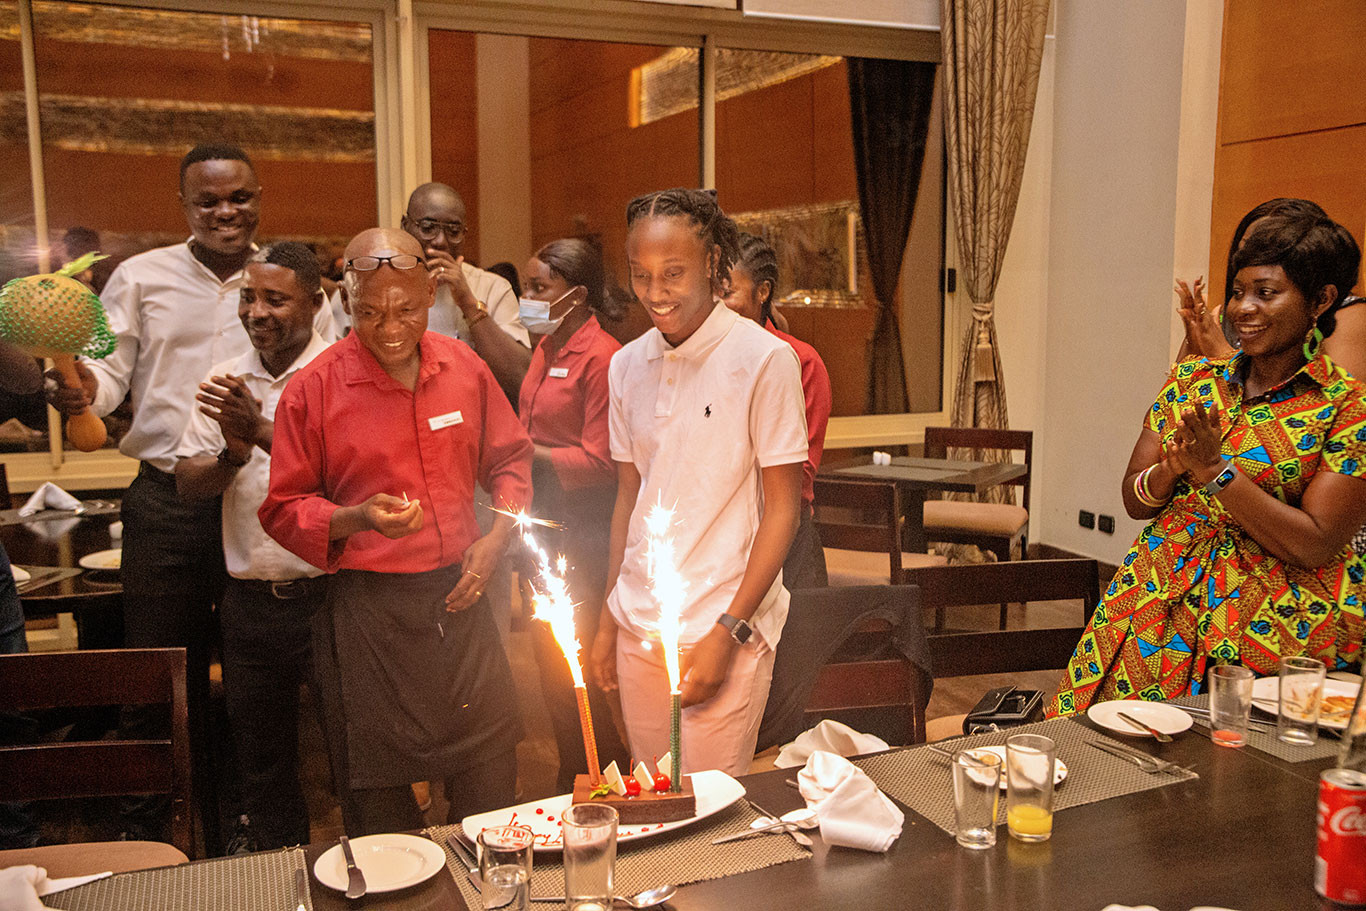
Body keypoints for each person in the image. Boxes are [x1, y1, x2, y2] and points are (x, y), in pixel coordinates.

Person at [45, 143, 332, 841]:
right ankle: (154, 831)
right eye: (208, 201)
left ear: (259, 199)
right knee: (160, 675)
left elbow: (318, 378)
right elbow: (107, 375)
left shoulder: (283, 279)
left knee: (248, 682)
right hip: (169, 504)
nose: (225, 211)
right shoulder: (141, 277)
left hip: (255, 499)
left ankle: (242, 825)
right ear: (184, 206)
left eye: (239, 197)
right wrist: (81, 389)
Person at [259, 228, 530, 835]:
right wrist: (356, 517)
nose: (389, 328)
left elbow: (511, 460)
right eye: (369, 312)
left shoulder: (463, 366)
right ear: (345, 302)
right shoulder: (314, 389)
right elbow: (282, 507)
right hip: (370, 616)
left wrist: (497, 538)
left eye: (406, 310)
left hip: (462, 599)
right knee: (381, 812)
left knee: (491, 791)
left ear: (431, 294)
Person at [1050, 213, 1366, 716]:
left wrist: (1217, 472)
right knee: (1115, 742)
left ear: (1321, 300)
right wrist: (1173, 468)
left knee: (1246, 755)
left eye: (1266, 293)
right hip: (1155, 609)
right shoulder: (1195, 381)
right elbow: (1134, 499)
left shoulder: (1345, 407)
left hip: (1276, 629)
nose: (1244, 308)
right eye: (1238, 292)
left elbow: (1314, 542)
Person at [589, 189, 807, 777]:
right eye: (640, 274)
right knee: (652, 794)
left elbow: (783, 510)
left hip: (723, 626)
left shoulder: (764, 360)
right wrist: (609, 618)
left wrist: (729, 630)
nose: (655, 292)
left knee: (712, 808)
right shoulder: (625, 365)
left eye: (673, 272)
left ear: (713, 264)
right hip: (639, 621)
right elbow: (629, 499)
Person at [174, 242, 330, 851]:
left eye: (275, 299)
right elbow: (187, 482)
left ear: (316, 302)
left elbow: (344, 482)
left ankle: (378, 874)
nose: (256, 312)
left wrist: (259, 429)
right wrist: (232, 453)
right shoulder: (226, 380)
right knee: (262, 765)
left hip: (332, 598)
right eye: (248, 297)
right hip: (249, 604)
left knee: (352, 755)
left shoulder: (341, 373)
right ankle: (276, 877)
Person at [517, 237, 629, 791]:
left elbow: (603, 462)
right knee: (549, 656)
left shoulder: (603, 356)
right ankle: (574, 772)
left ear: (577, 295)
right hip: (543, 518)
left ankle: (607, 774)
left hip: (584, 526)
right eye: (526, 286)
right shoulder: (545, 346)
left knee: (578, 662)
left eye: (539, 288)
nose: (527, 298)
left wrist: (524, 451)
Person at [722, 232, 832, 589]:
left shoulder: (802, 361)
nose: (717, 304)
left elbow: (799, 479)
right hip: (718, 542)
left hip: (786, 543)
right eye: (712, 292)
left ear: (763, 292)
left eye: (728, 293)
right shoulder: (706, 360)